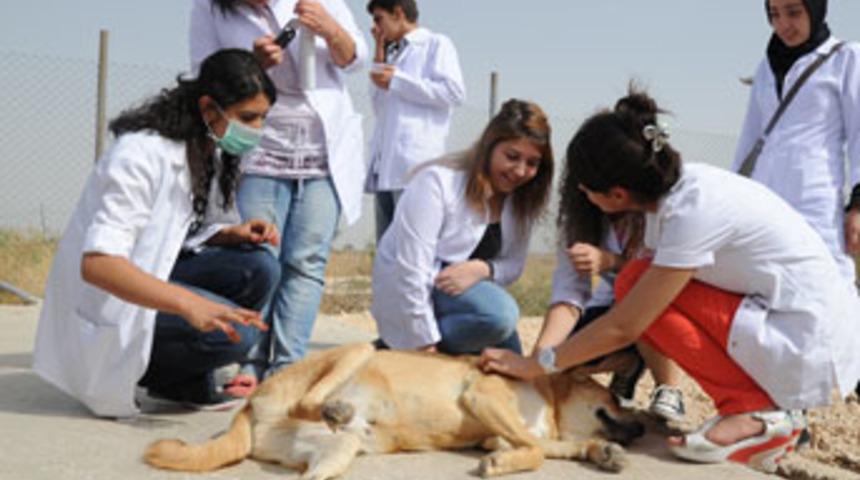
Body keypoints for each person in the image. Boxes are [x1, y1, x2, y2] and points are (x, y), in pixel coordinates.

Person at [479, 89, 860, 472]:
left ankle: (753, 413)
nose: (579, 191)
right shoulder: (680, 194)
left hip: (808, 333)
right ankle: (757, 410)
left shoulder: (692, 210)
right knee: (635, 281)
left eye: (585, 186)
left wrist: (540, 364)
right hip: (787, 314)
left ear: (616, 194)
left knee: (634, 286)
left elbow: (627, 324)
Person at [32, 49, 280, 418]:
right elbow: (99, 265)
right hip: (108, 299)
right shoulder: (140, 155)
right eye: (248, 117)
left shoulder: (205, 148)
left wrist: (230, 234)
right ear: (209, 108)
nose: (256, 129)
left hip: (150, 277)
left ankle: (176, 381)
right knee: (237, 335)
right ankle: (159, 369)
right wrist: (187, 303)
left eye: (263, 118)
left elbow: (172, 235)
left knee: (259, 267)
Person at [189, 0, 369, 395]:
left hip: (324, 151)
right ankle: (250, 361)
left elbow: (356, 59)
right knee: (259, 257)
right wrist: (248, 66)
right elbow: (205, 75)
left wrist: (331, 30)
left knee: (306, 263)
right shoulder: (210, 8)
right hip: (259, 148)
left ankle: (288, 369)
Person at [371, 99, 553, 354]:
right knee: (501, 314)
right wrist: (422, 339)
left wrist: (482, 268)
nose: (520, 171)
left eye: (532, 163)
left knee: (511, 368)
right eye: (512, 157)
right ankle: (398, 347)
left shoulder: (521, 202)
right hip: (418, 290)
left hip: (467, 300)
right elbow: (411, 269)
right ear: (490, 147)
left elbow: (513, 265)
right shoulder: (437, 183)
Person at [733, 0, 860, 285]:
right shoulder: (766, 67)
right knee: (766, 285)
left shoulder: (846, 58)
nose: (783, 25)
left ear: (815, 9)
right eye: (774, 14)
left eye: (793, 12)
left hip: (815, 200)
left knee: (826, 283)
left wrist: (858, 206)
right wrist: (733, 196)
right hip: (763, 200)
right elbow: (749, 138)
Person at [540, 177, 686, 421]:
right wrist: (541, 359)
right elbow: (569, 292)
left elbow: (667, 273)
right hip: (607, 309)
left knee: (639, 291)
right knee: (562, 362)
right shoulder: (579, 220)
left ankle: (668, 388)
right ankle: (627, 364)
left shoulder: (664, 209)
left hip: (659, 310)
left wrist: (612, 262)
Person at [364, 0, 466, 240]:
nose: (376, 27)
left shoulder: (436, 44)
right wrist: (379, 51)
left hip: (414, 167)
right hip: (385, 169)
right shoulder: (392, 53)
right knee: (386, 255)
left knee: (411, 250)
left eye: (379, 19)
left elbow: (454, 92)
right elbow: (379, 106)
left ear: (398, 13)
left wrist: (398, 81)